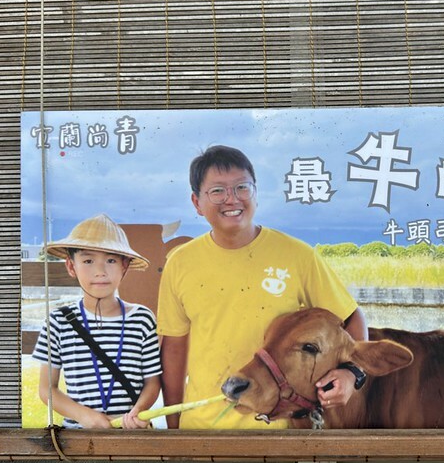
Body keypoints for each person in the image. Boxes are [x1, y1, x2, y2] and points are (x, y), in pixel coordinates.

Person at [157, 145, 369, 429]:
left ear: (255, 193)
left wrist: (351, 374)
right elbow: (174, 350)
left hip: (280, 430)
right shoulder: (180, 263)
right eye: (217, 191)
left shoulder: (297, 256)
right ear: (197, 202)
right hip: (202, 430)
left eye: (242, 187)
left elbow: (351, 318)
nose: (232, 199)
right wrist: (174, 427)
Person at [31, 213, 162, 429]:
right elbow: (47, 389)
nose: (100, 272)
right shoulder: (57, 321)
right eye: (88, 261)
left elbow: (152, 382)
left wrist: (137, 412)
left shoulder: (142, 318)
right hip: (79, 436)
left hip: (132, 432)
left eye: (110, 260)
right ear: (71, 266)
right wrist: (85, 416)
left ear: (124, 267)